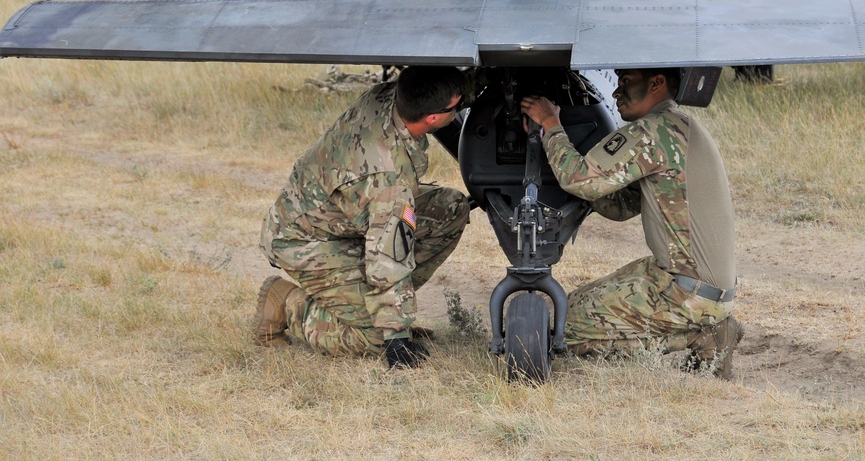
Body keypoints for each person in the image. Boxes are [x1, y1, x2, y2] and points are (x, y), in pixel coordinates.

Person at [520, 68, 743, 379]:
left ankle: (703, 334)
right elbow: (621, 206)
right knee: (567, 306)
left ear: (656, 83)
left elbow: (580, 181)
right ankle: (709, 327)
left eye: (625, 82)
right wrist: (585, 171)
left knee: (557, 328)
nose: (615, 92)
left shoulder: (650, 132)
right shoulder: (680, 127)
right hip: (692, 281)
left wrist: (550, 125)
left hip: (682, 291)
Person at [254, 65, 470, 368]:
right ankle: (288, 303)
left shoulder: (393, 95)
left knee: (451, 208)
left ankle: (367, 306)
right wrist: (395, 334)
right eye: (459, 107)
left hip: (345, 216)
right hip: (304, 239)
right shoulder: (388, 180)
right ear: (433, 118)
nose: (462, 109)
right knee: (374, 338)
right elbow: (388, 256)